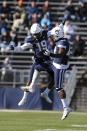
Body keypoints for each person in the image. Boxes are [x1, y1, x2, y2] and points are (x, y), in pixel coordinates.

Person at [21, 21, 71, 120]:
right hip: (55, 63)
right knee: (37, 67)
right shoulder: (60, 37)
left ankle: (66, 107)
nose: (52, 37)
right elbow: (57, 28)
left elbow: (60, 54)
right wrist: (62, 22)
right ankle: (41, 90)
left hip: (60, 66)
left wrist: (50, 54)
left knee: (58, 87)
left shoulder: (62, 43)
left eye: (53, 36)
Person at [10, 23, 54, 106]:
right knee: (30, 80)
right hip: (38, 61)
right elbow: (22, 48)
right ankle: (24, 97)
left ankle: (46, 93)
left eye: (37, 34)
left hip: (48, 60)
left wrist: (58, 27)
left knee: (55, 77)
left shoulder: (44, 33)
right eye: (35, 34)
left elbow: (51, 32)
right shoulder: (31, 40)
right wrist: (14, 48)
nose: (37, 36)